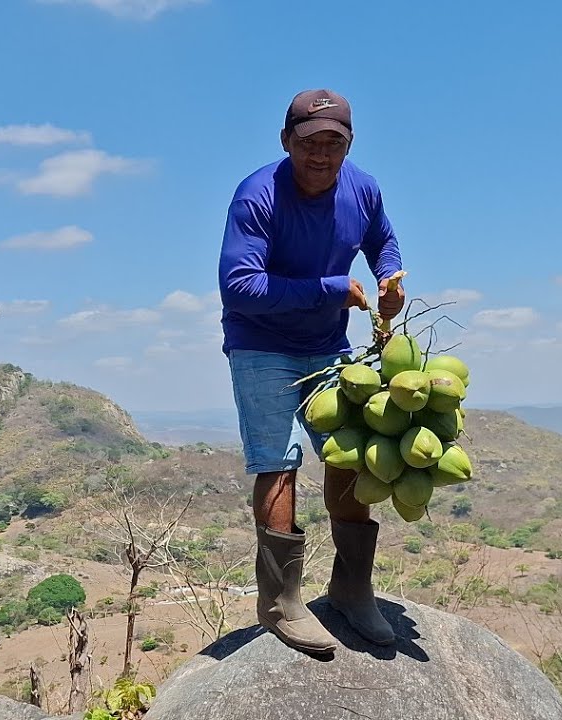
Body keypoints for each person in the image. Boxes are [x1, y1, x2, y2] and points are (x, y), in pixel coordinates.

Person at [217, 88, 405, 654]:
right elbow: (239, 286)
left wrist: (390, 275)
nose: (321, 155)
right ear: (286, 141)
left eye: (333, 144)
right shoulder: (257, 195)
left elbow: (383, 239)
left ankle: (352, 588)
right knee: (279, 464)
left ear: (348, 145)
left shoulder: (362, 187)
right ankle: (280, 602)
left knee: (348, 454)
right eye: (309, 143)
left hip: (328, 343)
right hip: (262, 344)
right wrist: (330, 289)